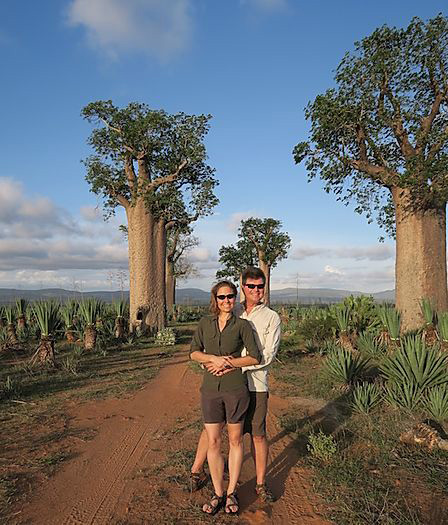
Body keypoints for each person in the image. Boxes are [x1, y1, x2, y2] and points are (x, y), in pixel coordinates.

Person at [190, 267, 281, 503]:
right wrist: (211, 364)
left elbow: (267, 355)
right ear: (243, 287)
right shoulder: (233, 309)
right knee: (212, 429)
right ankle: (196, 471)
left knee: (257, 434)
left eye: (260, 286)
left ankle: (260, 483)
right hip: (225, 382)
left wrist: (230, 365)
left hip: (255, 383)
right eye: (251, 286)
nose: (256, 290)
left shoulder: (271, 317)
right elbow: (209, 349)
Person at [190, 280, 261, 515]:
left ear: (235, 297)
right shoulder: (204, 323)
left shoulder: (242, 325)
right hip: (210, 388)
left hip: (234, 388)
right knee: (212, 442)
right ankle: (218, 492)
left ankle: (231, 493)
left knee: (235, 440)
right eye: (222, 297)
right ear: (215, 300)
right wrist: (212, 358)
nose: (227, 301)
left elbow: (254, 357)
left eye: (230, 296)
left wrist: (228, 363)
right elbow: (194, 352)